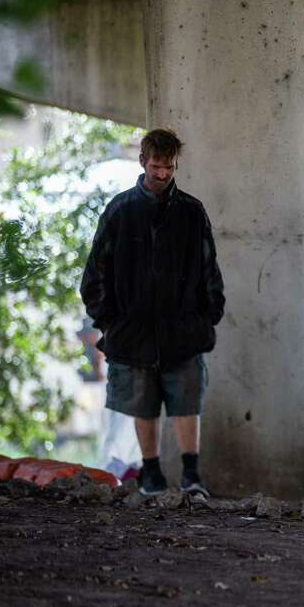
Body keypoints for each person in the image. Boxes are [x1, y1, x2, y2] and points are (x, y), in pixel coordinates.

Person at [80, 128, 224, 498]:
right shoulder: (120, 210)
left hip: (183, 328)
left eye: (170, 167)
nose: (163, 174)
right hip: (133, 330)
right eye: (157, 166)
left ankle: (192, 476)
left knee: (186, 402)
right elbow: (94, 275)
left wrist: (206, 318)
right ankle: (151, 475)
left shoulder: (192, 211)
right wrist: (111, 322)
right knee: (142, 403)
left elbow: (210, 269)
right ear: (143, 161)